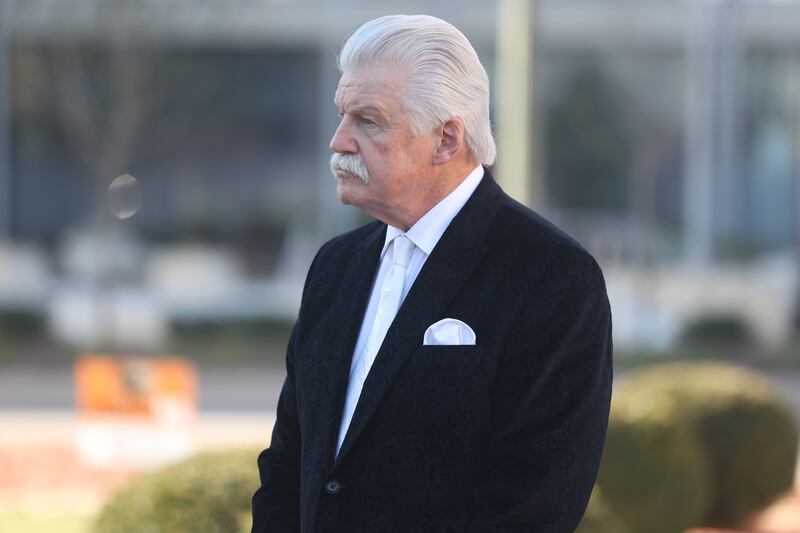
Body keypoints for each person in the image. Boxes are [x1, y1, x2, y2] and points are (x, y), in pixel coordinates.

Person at [252, 14, 612, 533]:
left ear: (446, 140)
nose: (338, 141)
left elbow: (536, 500)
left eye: (368, 121)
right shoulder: (334, 267)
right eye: (342, 116)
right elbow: (290, 460)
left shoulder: (553, 276)